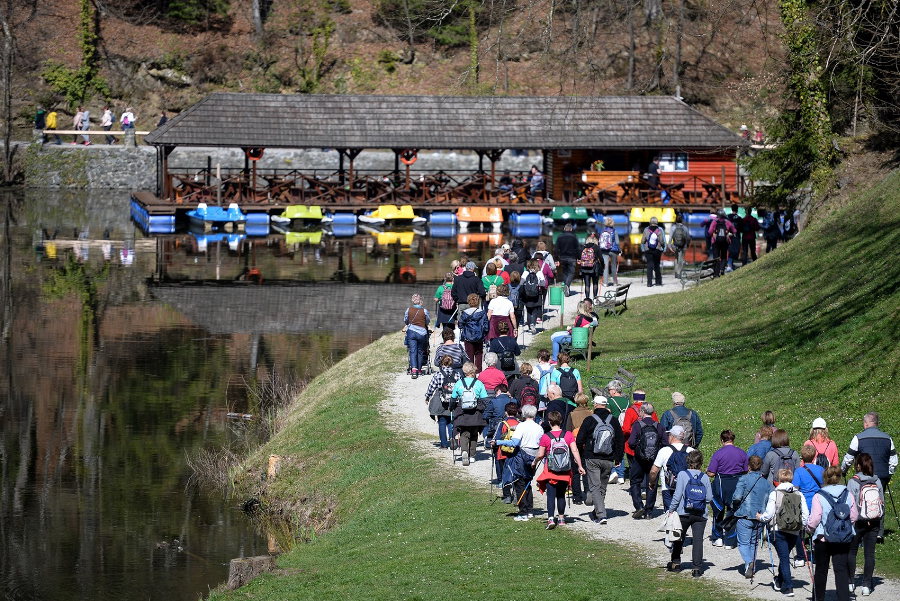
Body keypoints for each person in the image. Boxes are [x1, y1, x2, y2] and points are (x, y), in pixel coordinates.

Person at [841, 411, 896, 540]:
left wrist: (843, 470)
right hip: (881, 476)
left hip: (863, 476)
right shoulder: (888, 438)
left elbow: (849, 458)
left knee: (861, 500)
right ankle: (878, 532)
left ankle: (861, 530)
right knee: (879, 500)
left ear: (866, 424)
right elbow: (893, 461)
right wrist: (889, 474)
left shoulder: (858, 438)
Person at [807, 466, 858, 601]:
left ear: (825, 478)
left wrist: (809, 528)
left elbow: (816, 517)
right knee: (841, 569)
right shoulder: (848, 494)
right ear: (840, 477)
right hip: (843, 538)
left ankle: (819, 598)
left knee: (821, 570)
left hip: (823, 537)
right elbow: (854, 516)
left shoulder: (819, 495)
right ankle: (843, 598)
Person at [758, 467, 810, 597]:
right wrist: (802, 526)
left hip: (778, 530)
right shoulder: (799, 493)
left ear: (779, 479)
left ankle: (788, 586)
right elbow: (805, 514)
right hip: (794, 531)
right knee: (785, 556)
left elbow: (769, 515)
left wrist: (760, 517)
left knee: (784, 558)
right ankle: (779, 580)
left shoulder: (775, 493)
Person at [533, 410, 586, 529]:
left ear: (549, 422)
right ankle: (561, 518)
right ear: (561, 421)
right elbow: (574, 450)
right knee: (561, 495)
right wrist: (580, 466)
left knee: (551, 495)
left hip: (550, 471)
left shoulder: (546, 437)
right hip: (565, 470)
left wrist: (535, 461)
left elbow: (541, 454)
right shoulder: (568, 435)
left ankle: (551, 519)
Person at [576, 395, 624, 523]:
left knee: (595, 486)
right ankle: (597, 510)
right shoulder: (613, 420)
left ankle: (601, 515)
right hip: (608, 458)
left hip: (592, 457)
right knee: (602, 487)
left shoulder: (589, 420)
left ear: (595, 405)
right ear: (606, 405)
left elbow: (579, 440)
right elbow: (620, 440)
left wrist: (581, 455)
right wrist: (618, 458)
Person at [666, 449, 713, 577]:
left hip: (683, 512)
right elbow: (709, 497)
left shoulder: (682, 474)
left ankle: (676, 563)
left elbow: (677, 495)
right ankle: (697, 568)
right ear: (701, 463)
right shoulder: (705, 477)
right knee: (698, 540)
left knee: (679, 537)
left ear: (688, 461)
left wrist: (671, 510)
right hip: (700, 514)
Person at [846, 453, 884, 596]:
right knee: (869, 554)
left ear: (858, 465)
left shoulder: (853, 482)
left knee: (852, 551)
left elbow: (849, 504)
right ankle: (867, 585)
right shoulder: (877, 480)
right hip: (874, 521)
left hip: (857, 521)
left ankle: (850, 582)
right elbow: (882, 502)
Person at [732, 455, 774, 578]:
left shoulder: (743, 479)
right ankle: (750, 567)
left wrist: (733, 505)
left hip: (744, 515)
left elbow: (737, 497)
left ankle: (749, 562)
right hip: (759, 516)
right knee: (753, 543)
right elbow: (770, 499)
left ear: (748, 466)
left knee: (743, 543)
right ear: (760, 467)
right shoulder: (767, 483)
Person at [500, 404, 544, 520]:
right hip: (534, 457)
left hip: (522, 455)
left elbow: (514, 443)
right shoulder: (539, 428)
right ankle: (530, 510)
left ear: (523, 414)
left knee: (519, 483)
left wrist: (499, 442)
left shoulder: (521, 426)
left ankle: (523, 512)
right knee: (528, 483)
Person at [707, 430, 749, 549]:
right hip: (736, 484)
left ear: (722, 440)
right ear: (733, 440)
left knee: (718, 510)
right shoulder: (741, 453)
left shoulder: (718, 454)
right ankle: (730, 540)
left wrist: (707, 471)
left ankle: (718, 537)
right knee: (733, 511)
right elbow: (746, 470)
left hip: (721, 484)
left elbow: (711, 473)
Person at [627, 402, 666, 519]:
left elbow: (631, 442)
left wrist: (638, 449)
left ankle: (639, 506)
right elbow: (665, 443)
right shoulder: (659, 426)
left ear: (642, 412)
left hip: (639, 459)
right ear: (652, 412)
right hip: (654, 460)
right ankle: (649, 511)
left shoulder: (637, 425)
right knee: (652, 483)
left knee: (635, 481)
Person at [448, 362, 488, 466]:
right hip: (476, 412)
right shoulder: (479, 383)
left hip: (462, 412)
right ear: (474, 371)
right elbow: (484, 399)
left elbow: (453, 399)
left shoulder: (459, 383)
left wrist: (451, 408)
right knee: (474, 434)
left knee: (464, 433)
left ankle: (464, 451)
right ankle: (472, 455)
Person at [792, 444, 825, 567]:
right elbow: (823, 487)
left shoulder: (799, 471)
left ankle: (800, 557)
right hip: (817, 504)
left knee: (799, 531)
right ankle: (817, 556)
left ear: (802, 458)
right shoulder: (821, 470)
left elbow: (795, 488)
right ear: (814, 456)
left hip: (803, 504)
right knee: (817, 531)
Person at [649, 424, 694, 511]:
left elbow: (654, 471)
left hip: (668, 488)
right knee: (685, 514)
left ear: (672, 436)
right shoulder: (691, 451)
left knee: (670, 515)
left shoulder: (664, 451)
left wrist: (652, 482)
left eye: (669, 435)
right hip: (686, 487)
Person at [424, 355, 457, 448]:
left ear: (441, 363)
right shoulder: (456, 374)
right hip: (453, 400)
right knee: (451, 421)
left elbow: (431, 387)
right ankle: (452, 440)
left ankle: (443, 444)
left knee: (442, 421)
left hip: (440, 399)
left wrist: (427, 397)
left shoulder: (438, 374)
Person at [493, 402, 520, 503]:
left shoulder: (502, 423)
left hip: (503, 452)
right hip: (516, 453)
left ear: (506, 412)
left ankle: (507, 496)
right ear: (517, 412)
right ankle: (517, 494)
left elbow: (496, 438)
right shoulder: (520, 424)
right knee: (516, 474)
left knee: (505, 474)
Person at [604, 379, 630, 484]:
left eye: (610, 389)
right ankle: (621, 476)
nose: (609, 391)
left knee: (613, 450)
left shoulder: (610, 401)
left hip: (614, 428)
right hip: (625, 429)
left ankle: (614, 471)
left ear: (614, 390)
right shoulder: (628, 401)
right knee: (622, 451)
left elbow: (607, 415)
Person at [483, 384, 515, 458]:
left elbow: (485, 415)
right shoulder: (513, 400)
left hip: (497, 425)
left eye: (496, 392)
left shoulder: (494, 401)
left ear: (499, 391)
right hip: (511, 425)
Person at [403, 293, 430, 379]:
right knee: (420, 351)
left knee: (412, 350)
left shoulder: (408, 309)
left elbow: (406, 320)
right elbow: (427, 321)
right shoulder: (424, 311)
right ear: (420, 301)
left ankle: (413, 370)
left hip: (411, 332)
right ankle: (419, 369)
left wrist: (410, 323)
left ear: (412, 301)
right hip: (422, 333)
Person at [458, 293, 487, 371]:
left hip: (468, 336)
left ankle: (470, 371)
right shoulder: (482, 313)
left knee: (469, 355)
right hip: (479, 336)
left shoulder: (465, 313)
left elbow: (460, 325)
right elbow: (486, 325)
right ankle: (478, 370)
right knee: (479, 354)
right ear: (478, 301)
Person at [707, 208, 737, 277]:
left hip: (715, 242)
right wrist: (730, 233)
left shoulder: (714, 222)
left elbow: (709, 232)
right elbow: (734, 231)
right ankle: (722, 269)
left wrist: (713, 234)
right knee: (723, 256)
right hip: (725, 241)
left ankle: (716, 273)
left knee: (716, 257)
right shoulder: (727, 222)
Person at [521, 259, 546, 333]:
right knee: (535, 310)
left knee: (529, 310)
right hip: (536, 295)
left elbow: (521, 283)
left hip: (527, 295)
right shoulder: (539, 273)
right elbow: (543, 284)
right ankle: (533, 324)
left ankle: (529, 326)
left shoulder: (525, 272)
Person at [640, 217, 666, 287]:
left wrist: (644, 247)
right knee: (657, 266)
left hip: (648, 250)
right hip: (657, 250)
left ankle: (649, 283)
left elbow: (642, 241)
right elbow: (662, 241)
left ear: (650, 222)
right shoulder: (659, 230)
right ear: (657, 222)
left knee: (649, 266)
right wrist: (663, 247)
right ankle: (658, 282)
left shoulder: (646, 230)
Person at [555, 223, 580, 295]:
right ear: (571, 229)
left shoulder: (559, 237)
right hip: (572, 257)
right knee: (571, 273)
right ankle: (567, 285)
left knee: (565, 273)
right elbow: (577, 248)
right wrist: (579, 258)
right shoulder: (574, 237)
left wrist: (556, 259)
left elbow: (556, 249)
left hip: (562, 257)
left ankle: (567, 288)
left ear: (564, 229)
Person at [597, 216, 621, 286]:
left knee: (605, 266)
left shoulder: (602, 231)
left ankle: (605, 283)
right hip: (613, 250)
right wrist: (619, 250)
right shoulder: (614, 231)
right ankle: (615, 282)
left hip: (604, 250)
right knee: (613, 266)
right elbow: (617, 242)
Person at [578, 232, 601, 299]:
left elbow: (580, 258)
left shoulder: (583, 248)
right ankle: (595, 298)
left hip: (585, 268)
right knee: (595, 283)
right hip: (594, 268)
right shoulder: (596, 247)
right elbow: (601, 259)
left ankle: (587, 299)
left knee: (587, 285)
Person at [669, 214, 690, 279]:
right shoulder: (685, 228)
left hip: (675, 245)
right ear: (682, 220)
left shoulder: (673, 227)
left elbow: (670, 238)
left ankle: (676, 272)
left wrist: (669, 246)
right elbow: (688, 237)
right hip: (683, 246)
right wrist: (687, 245)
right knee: (681, 259)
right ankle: (679, 273)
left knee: (676, 258)